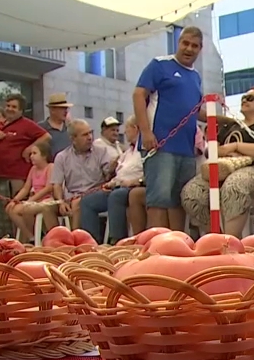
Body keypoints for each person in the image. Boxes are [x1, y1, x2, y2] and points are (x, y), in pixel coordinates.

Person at [182, 87, 254, 237]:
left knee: (235, 186)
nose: (244, 100)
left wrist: (236, 146)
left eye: (250, 98)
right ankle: (216, 236)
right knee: (192, 193)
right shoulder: (231, 127)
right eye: (243, 97)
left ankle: (230, 241)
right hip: (224, 169)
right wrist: (219, 149)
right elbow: (212, 151)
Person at [133, 25, 204, 232]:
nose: (189, 49)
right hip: (160, 145)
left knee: (180, 200)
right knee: (159, 199)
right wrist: (146, 132)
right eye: (185, 43)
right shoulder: (159, 65)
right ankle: (158, 248)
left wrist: (221, 119)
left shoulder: (196, 77)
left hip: (187, 149)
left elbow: (195, 110)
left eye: (195, 46)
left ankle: (179, 244)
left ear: (200, 49)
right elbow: (138, 95)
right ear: (178, 43)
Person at [0, 93, 51, 241]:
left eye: (14, 107)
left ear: (21, 110)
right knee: (1, 214)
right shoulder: (0, 125)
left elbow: (46, 137)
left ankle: (25, 241)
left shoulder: (27, 124)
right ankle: (4, 242)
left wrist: (29, 148)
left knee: (16, 209)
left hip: (17, 175)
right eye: (8, 106)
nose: (10, 109)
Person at [50, 119, 117, 236]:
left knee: (78, 204)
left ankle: (76, 241)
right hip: (71, 196)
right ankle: (56, 240)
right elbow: (57, 184)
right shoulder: (62, 157)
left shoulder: (101, 152)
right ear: (73, 139)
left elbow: (109, 175)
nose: (90, 137)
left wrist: (112, 167)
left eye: (90, 133)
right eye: (85, 135)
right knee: (47, 208)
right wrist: (61, 202)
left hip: (97, 193)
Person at [102, 116, 144, 244]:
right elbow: (121, 172)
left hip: (133, 186)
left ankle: (118, 240)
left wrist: (134, 181)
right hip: (118, 185)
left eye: (126, 128)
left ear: (135, 129)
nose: (124, 132)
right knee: (88, 201)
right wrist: (112, 182)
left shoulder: (143, 150)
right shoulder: (126, 152)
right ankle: (91, 242)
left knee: (116, 196)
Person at [5, 145, 55, 242]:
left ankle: (42, 235)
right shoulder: (33, 169)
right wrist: (14, 200)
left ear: (44, 156)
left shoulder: (50, 167)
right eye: (31, 153)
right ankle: (31, 237)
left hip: (47, 199)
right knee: (11, 209)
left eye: (34, 153)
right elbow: (26, 188)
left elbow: (49, 188)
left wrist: (31, 200)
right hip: (34, 200)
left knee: (27, 209)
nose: (31, 156)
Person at [37, 93, 72, 160]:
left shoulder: (70, 128)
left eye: (66, 108)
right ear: (52, 110)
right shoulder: (40, 128)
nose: (66, 111)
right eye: (62, 108)